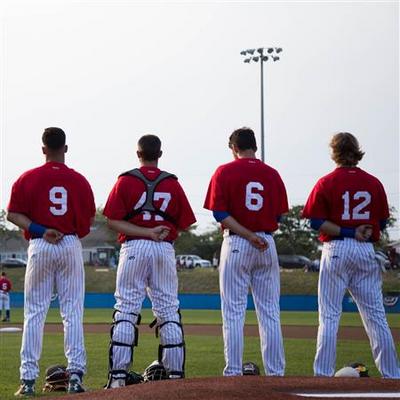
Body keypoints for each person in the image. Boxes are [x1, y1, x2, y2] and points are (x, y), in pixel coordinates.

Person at [302, 132, 400, 378]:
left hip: (336, 249)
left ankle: (323, 376)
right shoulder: (373, 182)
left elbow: (316, 221)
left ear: (333, 152)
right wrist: (363, 230)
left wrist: (347, 230)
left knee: (329, 316)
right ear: (357, 151)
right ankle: (392, 375)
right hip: (365, 250)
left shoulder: (326, 182)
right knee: (376, 316)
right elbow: (380, 222)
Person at [7, 127, 96, 396]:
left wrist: (40, 229)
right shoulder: (79, 180)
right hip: (69, 243)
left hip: (41, 242)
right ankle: (76, 377)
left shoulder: (27, 178)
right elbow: (89, 221)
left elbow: (13, 214)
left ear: (43, 148)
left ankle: (28, 381)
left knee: (34, 313)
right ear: (65, 148)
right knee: (72, 312)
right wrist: (69, 232)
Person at [103, 134, 196, 388]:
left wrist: (144, 229)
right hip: (163, 247)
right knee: (168, 310)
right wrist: (160, 228)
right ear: (160, 154)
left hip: (133, 245)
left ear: (138, 154)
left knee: (126, 309)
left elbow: (111, 220)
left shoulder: (125, 180)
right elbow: (186, 223)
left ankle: (118, 379)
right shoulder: (172, 183)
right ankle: (176, 377)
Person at [203, 127, 288, 376]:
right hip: (266, 242)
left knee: (233, 311)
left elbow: (220, 213)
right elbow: (280, 214)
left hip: (238, 243)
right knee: (270, 311)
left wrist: (248, 235)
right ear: (255, 147)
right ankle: (276, 374)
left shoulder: (225, 171)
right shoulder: (272, 174)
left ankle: (233, 372)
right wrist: (259, 234)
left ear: (233, 148)